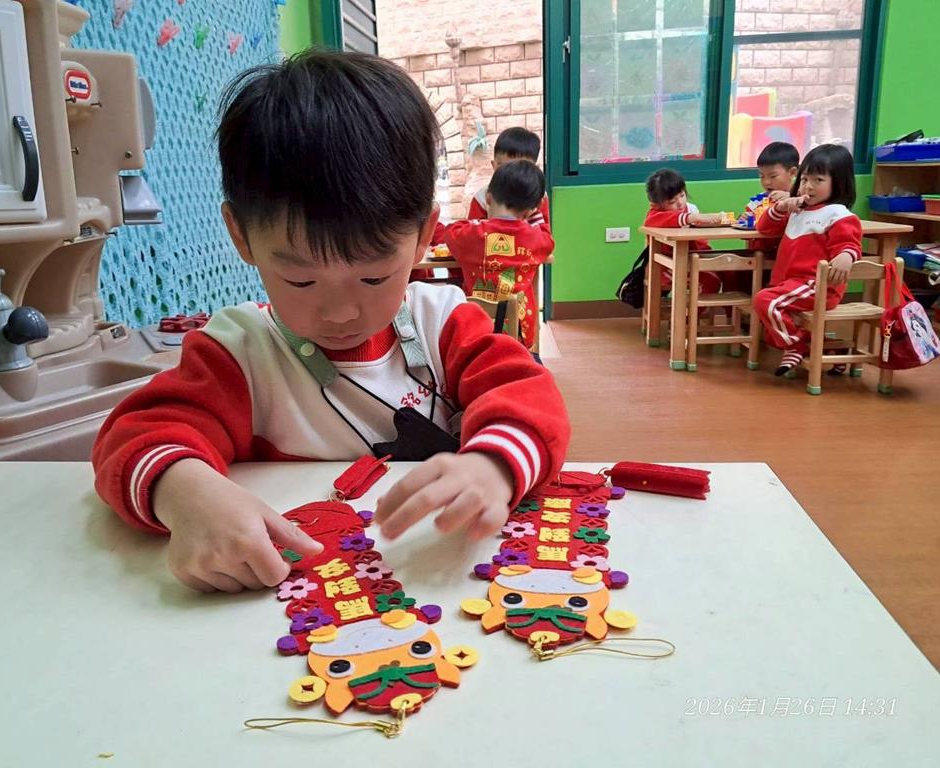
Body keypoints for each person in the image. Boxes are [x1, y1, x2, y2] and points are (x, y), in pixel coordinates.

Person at [91, 50, 570, 593]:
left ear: (423, 235)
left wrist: (493, 466)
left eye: (373, 278)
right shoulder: (238, 353)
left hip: (439, 585)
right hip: (287, 605)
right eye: (301, 281)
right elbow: (133, 436)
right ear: (241, 236)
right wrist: (183, 492)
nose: (340, 312)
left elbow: (532, 399)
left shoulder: (443, 323)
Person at [752, 144, 861, 376]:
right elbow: (764, 228)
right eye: (804, 179)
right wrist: (781, 207)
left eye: (818, 180)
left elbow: (849, 243)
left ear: (838, 183)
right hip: (792, 284)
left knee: (765, 302)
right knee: (770, 327)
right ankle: (830, 348)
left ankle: (796, 346)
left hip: (816, 286)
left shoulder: (838, 214)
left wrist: (846, 255)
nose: (808, 186)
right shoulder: (798, 209)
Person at [443, 160, 554, 350]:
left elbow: (450, 231)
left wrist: (480, 223)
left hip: (476, 329)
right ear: (530, 210)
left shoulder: (471, 235)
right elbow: (548, 240)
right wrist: (535, 216)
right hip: (519, 331)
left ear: (488, 197)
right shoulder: (534, 238)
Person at [643, 168, 726, 294]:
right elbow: (653, 221)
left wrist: (711, 222)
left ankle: (732, 306)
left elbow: (700, 239)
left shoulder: (691, 209)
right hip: (667, 265)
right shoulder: (655, 215)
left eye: (682, 195)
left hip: (694, 258)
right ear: (657, 204)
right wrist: (691, 218)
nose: (680, 203)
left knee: (730, 271)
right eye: (672, 201)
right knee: (711, 281)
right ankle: (690, 308)